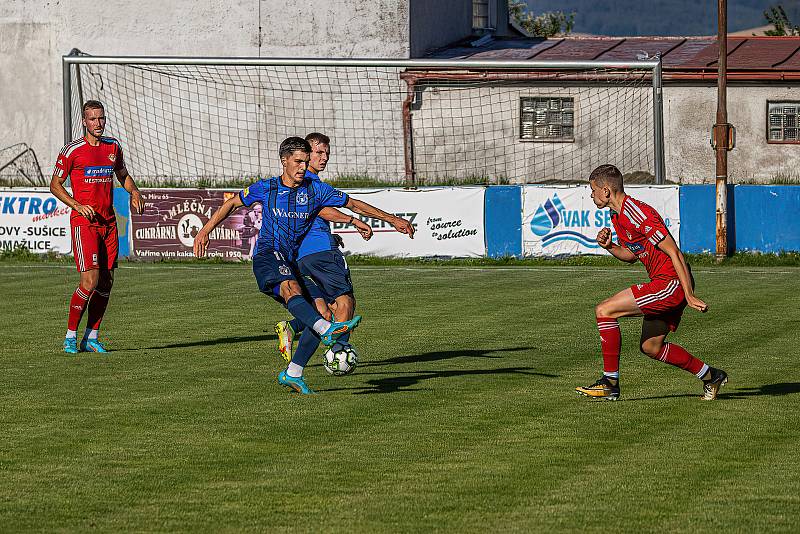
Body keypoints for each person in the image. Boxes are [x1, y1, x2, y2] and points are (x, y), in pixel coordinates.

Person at [193, 137, 414, 395]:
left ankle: (293, 372)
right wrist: (204, 231)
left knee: (322, 312)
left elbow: (352, 203)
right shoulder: (267, 188)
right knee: (291, 289)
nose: (302, 166)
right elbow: (232, 203)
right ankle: (327, 333)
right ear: (284, 161)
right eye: (298, 161)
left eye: (305, 161)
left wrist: (391, 219)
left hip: (292, 261)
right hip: (268, 255)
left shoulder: (316, 190)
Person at [575, 164, 728, 401]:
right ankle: (711, 376)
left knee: (604, 310)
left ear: (606, 190)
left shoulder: (636, 211)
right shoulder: (616, 216)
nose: (591, 195)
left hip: (671, 283)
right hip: (667, 283)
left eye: (593, 190)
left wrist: (688, 294)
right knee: (651, 347)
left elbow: (675, 253)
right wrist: (611, 247)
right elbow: (631, 255)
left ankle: (609, 382)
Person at [50, 100, 145, 354]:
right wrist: (77, 205)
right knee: (89, 281)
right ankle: (70, 336)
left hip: (108, 223)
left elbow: (122, 174)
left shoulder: (113, 147)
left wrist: (134, 191)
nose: (98, 123)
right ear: (84, 122)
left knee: (106, 281)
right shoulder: (72, 150)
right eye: (92, 119)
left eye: (101, 118)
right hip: (85, 224)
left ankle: (91, 337)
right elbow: (55, 185)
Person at [274, 132, 375, 363]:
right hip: (319, 252)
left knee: (324, 311)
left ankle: (292, 332)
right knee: (344, 302)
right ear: (306, 155)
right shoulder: (308, 182)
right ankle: (340, 352)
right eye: (319, 152)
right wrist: (353, 220)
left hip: (300, 256)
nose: (325, 157)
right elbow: (320, 209)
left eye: (327, 153)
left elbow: (308, 216)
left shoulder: (298, 183)